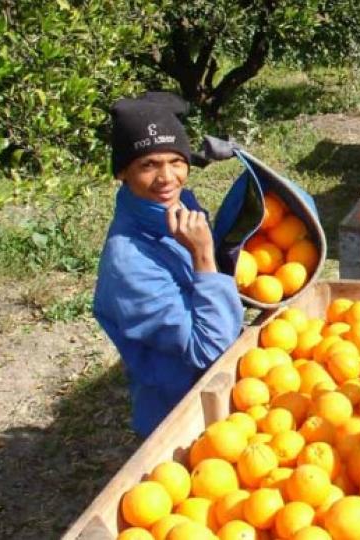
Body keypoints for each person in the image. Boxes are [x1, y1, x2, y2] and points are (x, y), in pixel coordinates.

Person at [93, 92, 243, 437]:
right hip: (179, 418)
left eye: (177, 161)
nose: (167, 179)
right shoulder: (129, 263)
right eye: (148, 165)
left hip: (220, 398)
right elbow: (209, 351)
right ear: (122, 173)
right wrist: (204, 257)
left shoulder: (172, 207)